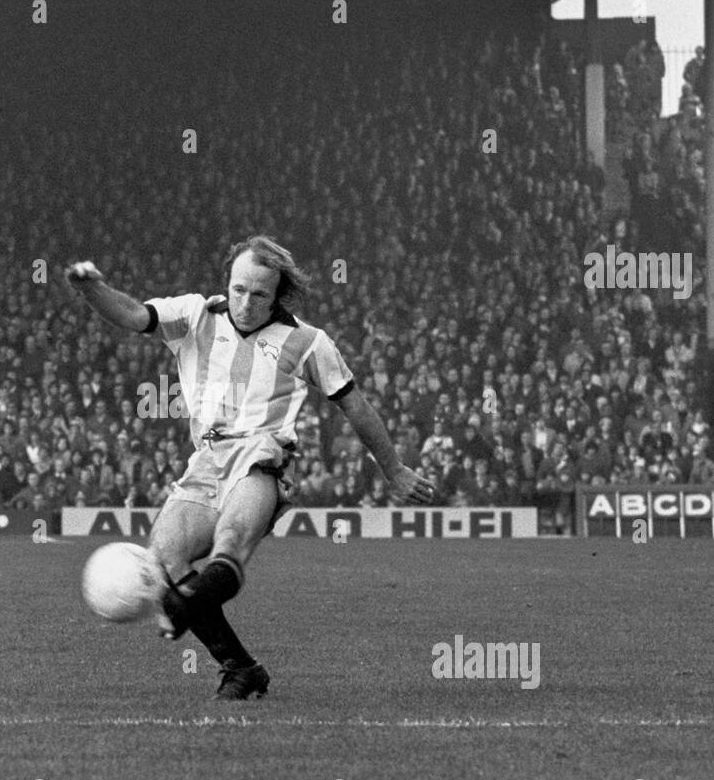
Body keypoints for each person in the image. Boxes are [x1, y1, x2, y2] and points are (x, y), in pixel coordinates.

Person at [65, 235, 436, 700]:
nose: (245, 302)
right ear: (228, 281)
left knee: (231, 542)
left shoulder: (307, 342)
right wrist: (92, 289)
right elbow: (135, 315)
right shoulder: (195, 315)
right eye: (238, 288)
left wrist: (394, 469)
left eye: (259, 294)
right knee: (164, 557)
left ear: (277, 294)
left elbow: (355, 407)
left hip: (261, 456)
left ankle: (181, 608)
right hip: (206, 461)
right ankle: (241, 668)